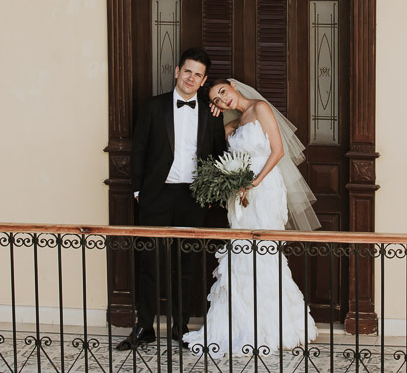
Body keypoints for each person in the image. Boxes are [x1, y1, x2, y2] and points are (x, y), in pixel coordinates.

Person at [182, 78, 319, 357]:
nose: (223, 100)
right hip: (240, 196)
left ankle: (275, 325)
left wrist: (254, 184)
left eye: (223, 92)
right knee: (242, 254)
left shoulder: (260, 108)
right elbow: (213, 145)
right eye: (217, 100)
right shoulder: (233, 125)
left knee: (265, 252)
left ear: (233, 86)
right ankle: (239, 322)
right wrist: (217, 118)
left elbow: (278, 151)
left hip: (264, 188)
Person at [116, 48, 228, 352]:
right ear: (177, 71)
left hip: (193, 196)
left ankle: (180, 327)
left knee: (186, 264)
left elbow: (219, 154)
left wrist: (210, 193)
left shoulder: (211, 113)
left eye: (198, 75)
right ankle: (144, 327)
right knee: (150, 263)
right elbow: (138, 150)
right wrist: (139, 191)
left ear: (204, 80)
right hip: (156, 194)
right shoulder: (153, 107)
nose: (191, 78)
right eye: (187, 71)